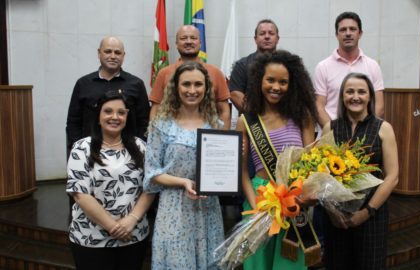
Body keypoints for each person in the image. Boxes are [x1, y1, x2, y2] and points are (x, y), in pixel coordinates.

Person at [235, 50, 318, 270]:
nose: (276, 87)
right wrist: (255, 207)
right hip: (260, 197)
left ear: (293, 85)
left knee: (288, 264)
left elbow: (310, 161)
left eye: (283, 82)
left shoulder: (302, 116)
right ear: (258, 81)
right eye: (270, 80)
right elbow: (242, 171)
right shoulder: (246, 122)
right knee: (257, 264)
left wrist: (306, 194)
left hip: (293, 199)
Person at [144, 61, 224, 269]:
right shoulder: (161, 125)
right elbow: (152, 172)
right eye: (186, 84)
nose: (192, 90)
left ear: (206, 88)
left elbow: (221, 165)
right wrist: (184, 182)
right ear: (175, 87)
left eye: (198, 84)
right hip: (174, 208)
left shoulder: (215, 124)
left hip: (207, 208)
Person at [66, 90, 154, 270]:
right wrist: (113, 227)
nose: (115, 117)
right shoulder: (81, 148)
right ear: (98, 116)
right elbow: (80, 195)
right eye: (108, 111)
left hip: (133, 234)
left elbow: (150, 187)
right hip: (91, 238)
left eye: (121, 113)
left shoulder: (141, 147)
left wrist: (131, 220)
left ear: (127, 117)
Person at [321, 72, 399, 270]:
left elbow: (392, 177)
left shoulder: (383, 128)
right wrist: (332, 213)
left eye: (361, 92)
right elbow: (320, 175)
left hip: (372, 215)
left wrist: (367, 212)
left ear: (370, 97)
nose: (355, 96)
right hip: (336, 217)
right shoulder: (330, 127)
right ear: (342, 97)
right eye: (350, 91)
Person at [66, 36, 150, 154]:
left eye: (117, 52)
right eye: (108, 51)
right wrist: (78, 151)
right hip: (90, 153)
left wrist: (138, 150)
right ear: (99, 53)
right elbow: (73, 122)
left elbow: (144, 122)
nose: (113, 56)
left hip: (128, 155)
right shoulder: (83, 84)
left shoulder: (136, 84)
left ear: (123, 56)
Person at [149, 25, 231, 129]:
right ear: (176, 44)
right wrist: (155, 133)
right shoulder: (164, 73)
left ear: (200, 43)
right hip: (171, 137)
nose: (188, 41)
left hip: (208, 137)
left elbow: (224, 110)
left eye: (193, 38)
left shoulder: (216, 73)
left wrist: (222, 139)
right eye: (183, 38)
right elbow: (156, 109)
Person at [314, 11, 384, 127]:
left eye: (352, 29)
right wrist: (334, 133)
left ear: (360, 33)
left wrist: (362, 131)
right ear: (336, 34)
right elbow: (319, 107)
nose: (348, 33)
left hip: (364, 138)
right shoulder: (323, 67)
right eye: (343, 30)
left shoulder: (372, 66)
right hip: (331, 138)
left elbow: (379, 106)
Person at [229, 19, 279, 112]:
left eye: (271, 33)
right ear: (255, 39)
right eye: (262, 33)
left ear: (277, 39)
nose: (267, 37)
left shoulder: (288, 65)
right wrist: (259, 114)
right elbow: (235, 94)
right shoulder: (242, 65)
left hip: (282, 120)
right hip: (253, 123)